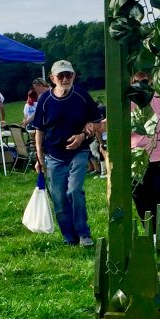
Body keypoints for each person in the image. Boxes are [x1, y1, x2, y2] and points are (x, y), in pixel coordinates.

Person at [33, 60, 101, 246]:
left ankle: (84, 233)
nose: (65, 79)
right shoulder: (45, 100)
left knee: (74, 191)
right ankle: (69, 238)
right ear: (52, 78)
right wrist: (39, 157)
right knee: (59, 198)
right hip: (54, 155)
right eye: (60, 75)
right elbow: (39, 130)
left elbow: (97, 123)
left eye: (68, 75)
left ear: (74, 76)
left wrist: (82, 135)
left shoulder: (81, 95)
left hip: (78, 152)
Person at [130, 71, 160, 220]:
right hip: (136, 154)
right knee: (140, 193)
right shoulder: (129, 100)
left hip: (157, 153)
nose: (142, 86)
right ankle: (152, 229)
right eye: (137, 82)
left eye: (146, 82)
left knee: (159, 189)